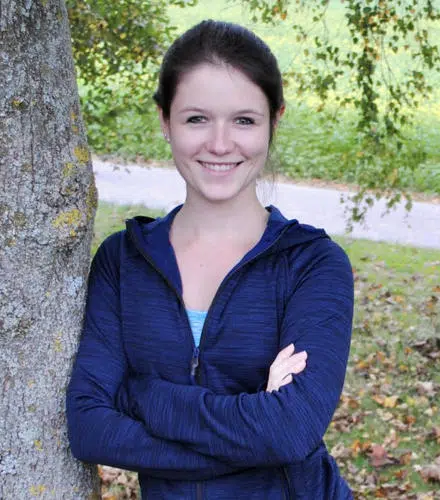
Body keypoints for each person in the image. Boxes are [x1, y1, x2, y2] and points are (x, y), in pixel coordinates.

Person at [66, 20, 354, 499]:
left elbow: (292, 430)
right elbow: (90, 428)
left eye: (244, 120)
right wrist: (255, 427)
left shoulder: (312, 265)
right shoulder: (123, 262)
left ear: (275, 120)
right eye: (197, 119)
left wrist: (141, 395)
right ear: (165, 120)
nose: (220, 144)